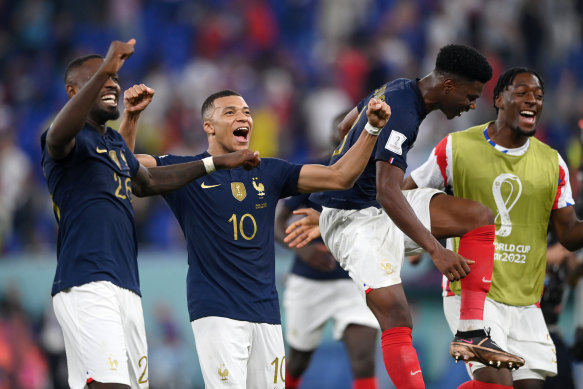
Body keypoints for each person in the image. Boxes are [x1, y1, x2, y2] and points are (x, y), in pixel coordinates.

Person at [285, 44, 524, 388]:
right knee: (397, 315)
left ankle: (471, 332)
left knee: (478, 216)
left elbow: (344, 127)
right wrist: (435, 249)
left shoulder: (396, 87)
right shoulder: (405, 114)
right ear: (448, 86)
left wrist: (351, 172)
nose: (472, 105)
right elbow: (387, 190)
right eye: (471, 96)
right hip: (353, 221)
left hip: (375, 205)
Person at [119, 89, 391, 388]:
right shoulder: (187, 170)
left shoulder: (270, 170)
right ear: (208, 126)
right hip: (217, 310)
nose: (243, 117)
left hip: (266, 311)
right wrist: (131, 117)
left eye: (247, 112)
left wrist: (372, 128)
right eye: (230, 112)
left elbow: (340, 177)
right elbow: (124, 166)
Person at [41, 39, 261, 389]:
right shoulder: (66, 140)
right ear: (73, 92)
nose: (112, 82)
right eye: (99, 77)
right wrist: (109, 65)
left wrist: (216, 162)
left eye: (113, 78)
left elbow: (147, 181)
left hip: (126, 283)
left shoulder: (111, 144)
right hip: (87, 279)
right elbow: (57, 134)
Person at [401, 67, 583, 388]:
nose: (533, 101)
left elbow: (569, 235)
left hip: (526, 301)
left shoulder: (553, 163)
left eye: (539, 96)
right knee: (497, 382)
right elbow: (406, 194)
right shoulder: (456, 148)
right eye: (522, 93)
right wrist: (429, 244)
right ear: (499, 99)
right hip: (471, 294)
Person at [274, 111, 380, 389]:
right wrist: (302, 251)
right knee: (297, 361)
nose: (346, 135)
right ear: (335, 136)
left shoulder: (378, 175)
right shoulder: (315, 169)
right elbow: (278, 224)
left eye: (353, 130)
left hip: (356, 281)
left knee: (364, 360)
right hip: (309, 281)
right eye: (342, 130)